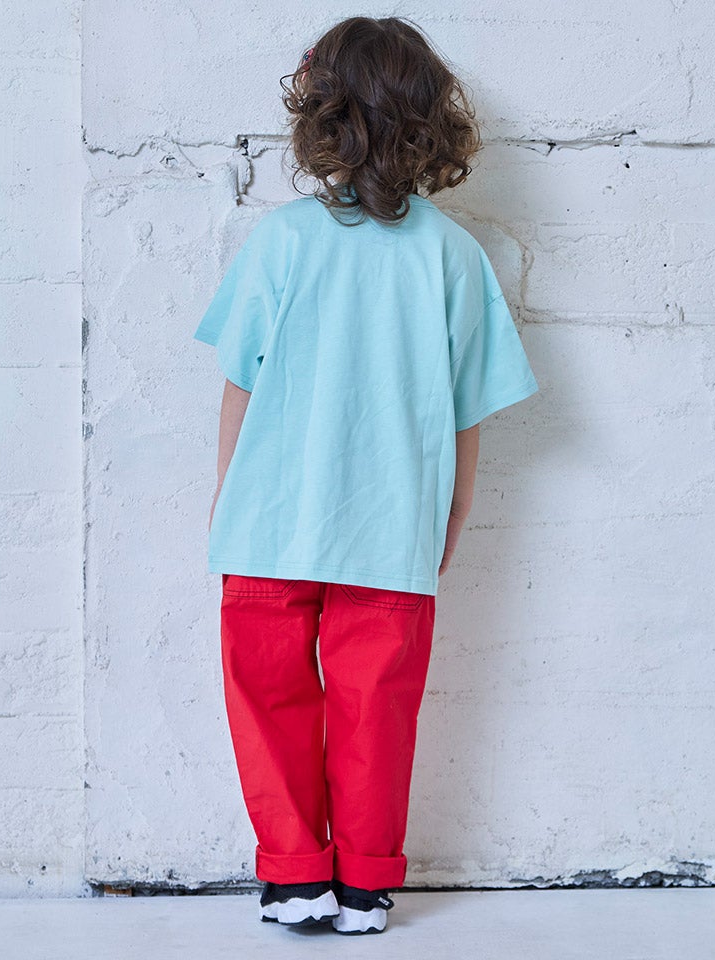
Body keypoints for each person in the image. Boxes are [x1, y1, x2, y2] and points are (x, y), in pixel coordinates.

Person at [193, 16, 539, 936]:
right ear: (431, 125)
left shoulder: (281, 241)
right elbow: (466, 414)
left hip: (270, 524)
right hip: (392, 527)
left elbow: (239, 389)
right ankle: (365, 886)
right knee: (376, 709)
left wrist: (226, 499)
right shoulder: (454, 257)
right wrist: (451, 513)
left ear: (321, 116)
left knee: (269, 701)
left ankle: (295, 876)